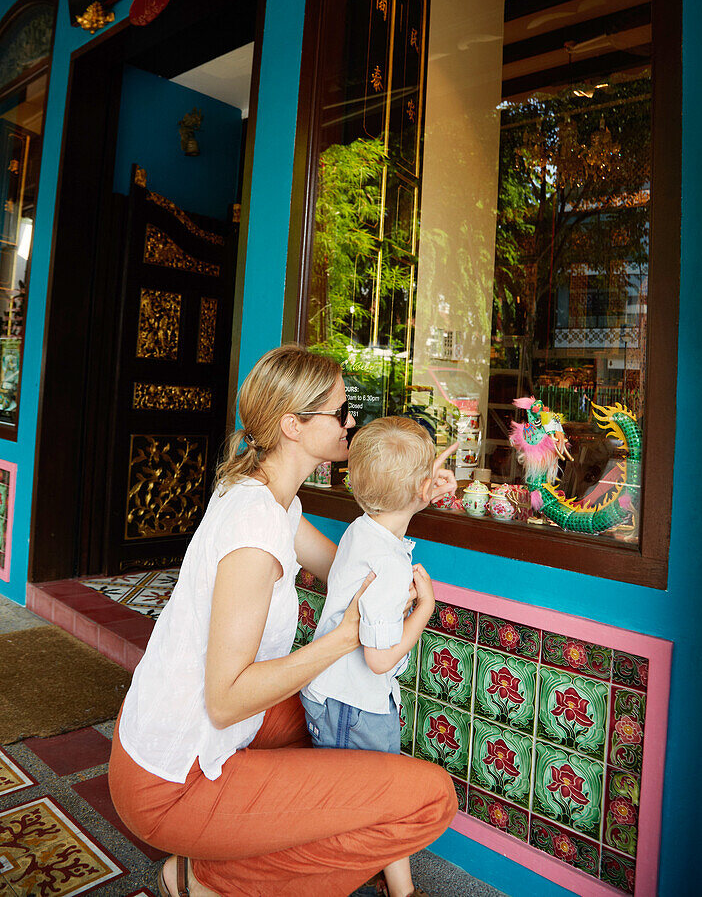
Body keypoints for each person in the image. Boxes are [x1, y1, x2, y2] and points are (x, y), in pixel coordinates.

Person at [108, 344, 458, 897]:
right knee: (430, 797)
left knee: (332, 720)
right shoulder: (255, 534)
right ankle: (207, 879)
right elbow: (226, 698)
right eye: (342, 412)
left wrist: (415, 495)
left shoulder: (270, 497)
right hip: (172, 779)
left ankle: (228, 849)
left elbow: (343, 568)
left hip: (175, 732)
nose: (352, 423)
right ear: (294, 425)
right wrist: (343, 639)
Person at [301, 416, 445, 897]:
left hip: (338, 694)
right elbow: (380, 660)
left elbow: (400, 499)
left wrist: (424, 486)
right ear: (421, 487)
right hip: (355, 704)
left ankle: (398, 889)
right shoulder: (387, 562)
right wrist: (423, 610)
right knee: (371, 805)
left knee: (374, 799)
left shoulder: (364, 527)